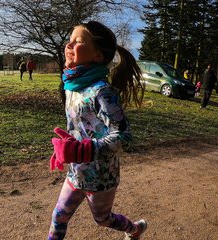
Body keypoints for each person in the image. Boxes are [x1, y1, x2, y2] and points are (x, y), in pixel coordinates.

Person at [47, 21, 147, 240]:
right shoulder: (73, 86)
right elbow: (80, 127)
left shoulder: (102, 92)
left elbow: (125, 136)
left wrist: (87, 149)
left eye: (79, 41)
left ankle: (134, 229)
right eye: (70, 39)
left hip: (102, 177)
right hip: (76, 173)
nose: (69, 44)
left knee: (102, 220)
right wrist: (67, 147)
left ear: (98, 56)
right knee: (59, 217)